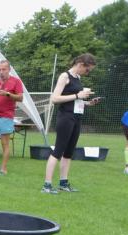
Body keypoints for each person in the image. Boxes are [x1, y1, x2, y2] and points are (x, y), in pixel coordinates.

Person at [41, 54, 100, 194]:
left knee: (68, 153)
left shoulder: (78, 78)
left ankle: (63, 183)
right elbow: (54, 98)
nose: (87, 73)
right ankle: (47, 185)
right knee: (58, 151)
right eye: (87, 70)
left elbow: (75, 101)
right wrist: (78, 95)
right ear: (80, 64)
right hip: (65, 118)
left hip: (76, 118)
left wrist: (88, 103)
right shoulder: (64, 76)